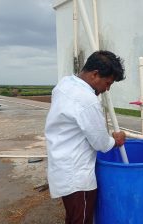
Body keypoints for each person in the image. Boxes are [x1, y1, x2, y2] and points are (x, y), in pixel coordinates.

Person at [45, 50, 126, 224]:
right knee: (81, 220)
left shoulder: (64, 84)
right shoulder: (87, 100)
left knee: (74, 217)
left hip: (61, 164)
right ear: (95, 75)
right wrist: (116, 139)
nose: (107, 89)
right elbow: (101, 143)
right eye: (107, 83)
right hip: (76, 176)